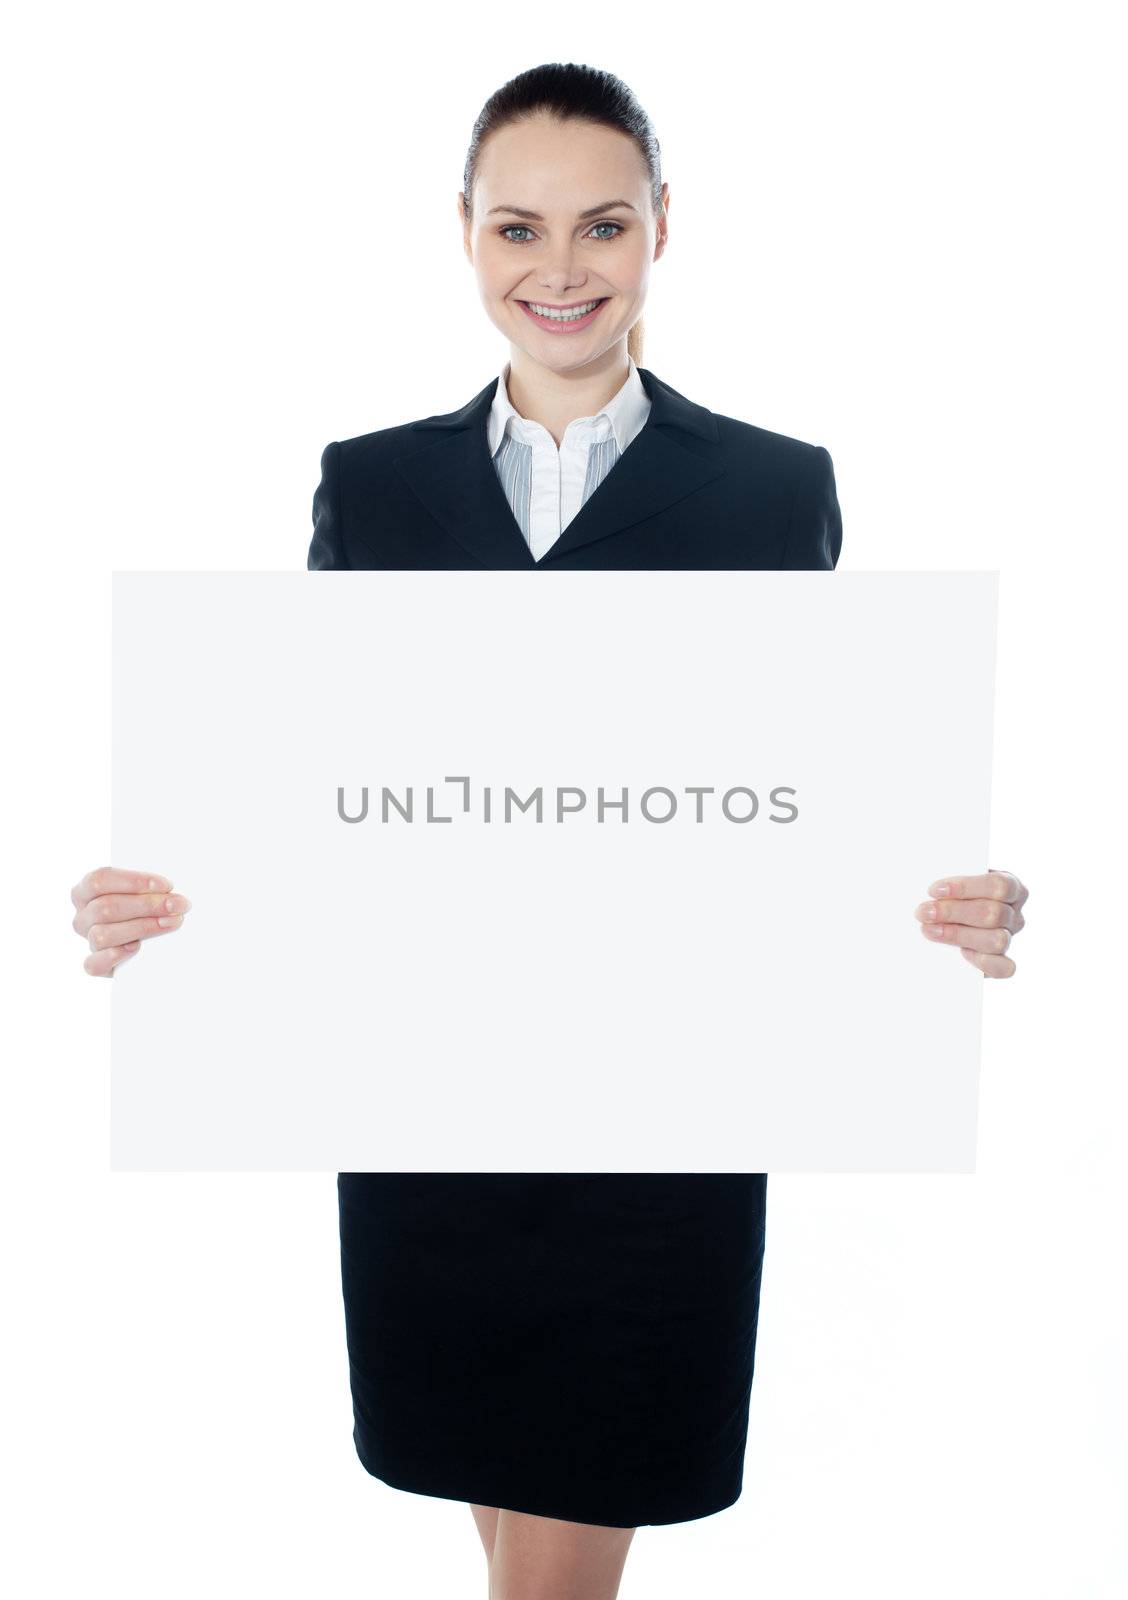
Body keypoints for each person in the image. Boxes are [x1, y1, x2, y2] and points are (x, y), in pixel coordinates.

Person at [70, 61, 1030, 1600]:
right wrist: (172, 897)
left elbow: (820, 789)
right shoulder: (371, 486)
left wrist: (944, 898)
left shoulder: (775, 494)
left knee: (565, 1537)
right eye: (520, 228)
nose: (560, 270)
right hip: (430, 1103)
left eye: (603, 226)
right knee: (501, 1500)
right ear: (463, 233)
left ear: (663, 231)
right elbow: (319, 780)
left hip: (661, 1117)